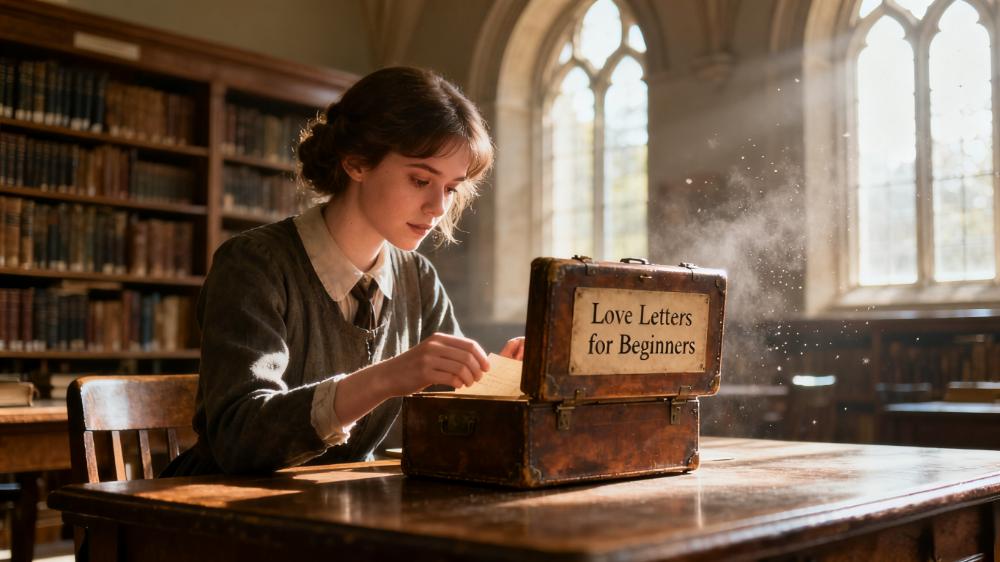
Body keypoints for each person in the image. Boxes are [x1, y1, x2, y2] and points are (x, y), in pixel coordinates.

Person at [162, 67, 524, 476]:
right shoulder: (253, 264)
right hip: (213, 515)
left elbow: (455, 418)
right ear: (356, 163)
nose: (438, 207)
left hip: (340, 512)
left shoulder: (419, 278)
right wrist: (385, 378)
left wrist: (508, 381)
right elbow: (240, 440)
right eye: (421, 179)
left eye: (451, 188)